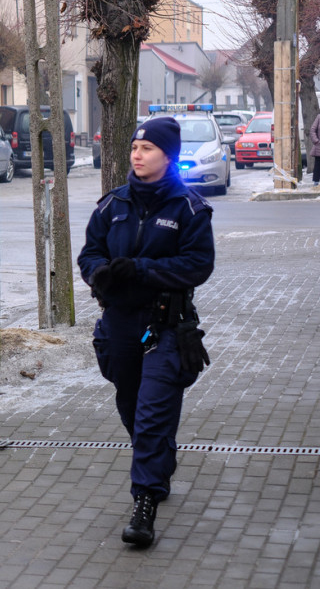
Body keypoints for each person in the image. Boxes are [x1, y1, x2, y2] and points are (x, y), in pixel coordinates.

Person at [77, 116, 215, 549]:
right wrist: (99, 272)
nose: (137, 154)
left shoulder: (188, 208)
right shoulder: (112, 205)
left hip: (165, 325)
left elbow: (198, 265)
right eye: (135, 147)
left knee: (153, 412)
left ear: (168, 156)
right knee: (131, 404)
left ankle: (144, 504)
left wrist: (141, 269)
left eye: (147, 148)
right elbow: (89, 253)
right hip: (120, 322)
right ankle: (158, 460)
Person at [310, 113, 320, 187]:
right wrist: (316, 141)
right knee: (318, 164)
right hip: (319, 146)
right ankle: (316, 183)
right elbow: (312, 130)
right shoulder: (319, 117)